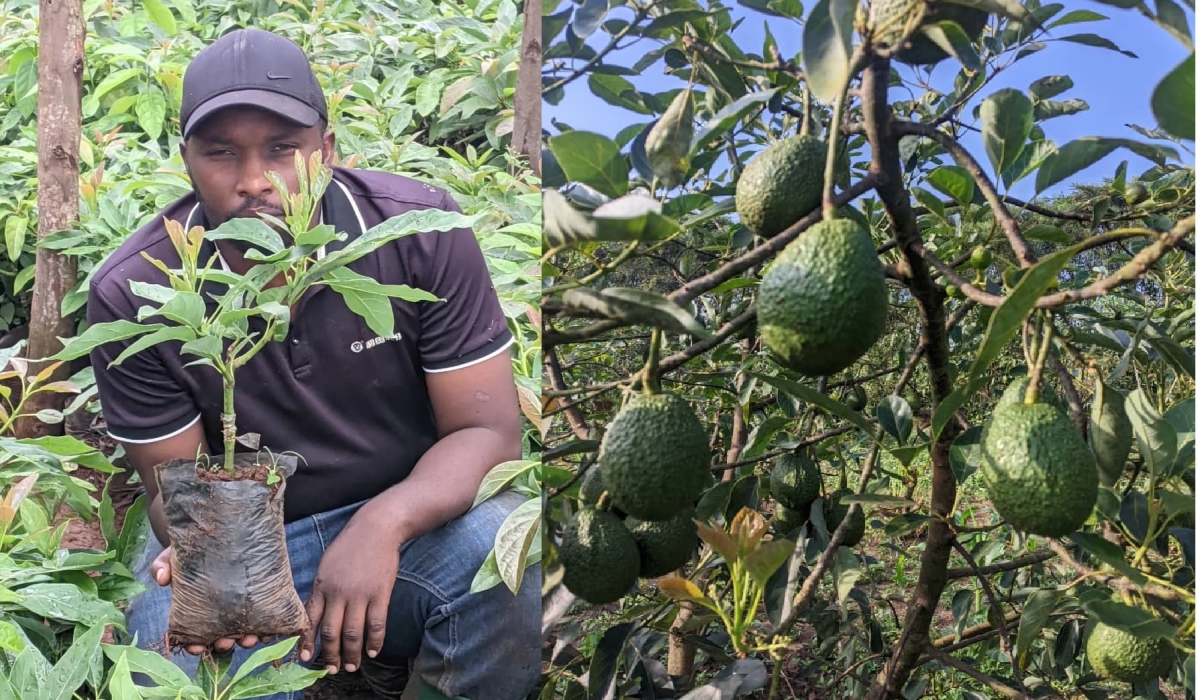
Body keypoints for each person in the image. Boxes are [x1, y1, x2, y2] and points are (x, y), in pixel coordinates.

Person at [86, 27, 540, 700]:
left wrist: (382, 525)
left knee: (508, 552)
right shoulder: (136, 292)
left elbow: (489, 434)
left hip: (416, 515)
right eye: (220, 154)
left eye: (282, 150)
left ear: (325, 151)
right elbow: (167, 487)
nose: (252, 182)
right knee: (179, 676)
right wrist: (217, 563)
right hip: (246, 541)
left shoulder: (422, 233)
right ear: (186, 161)